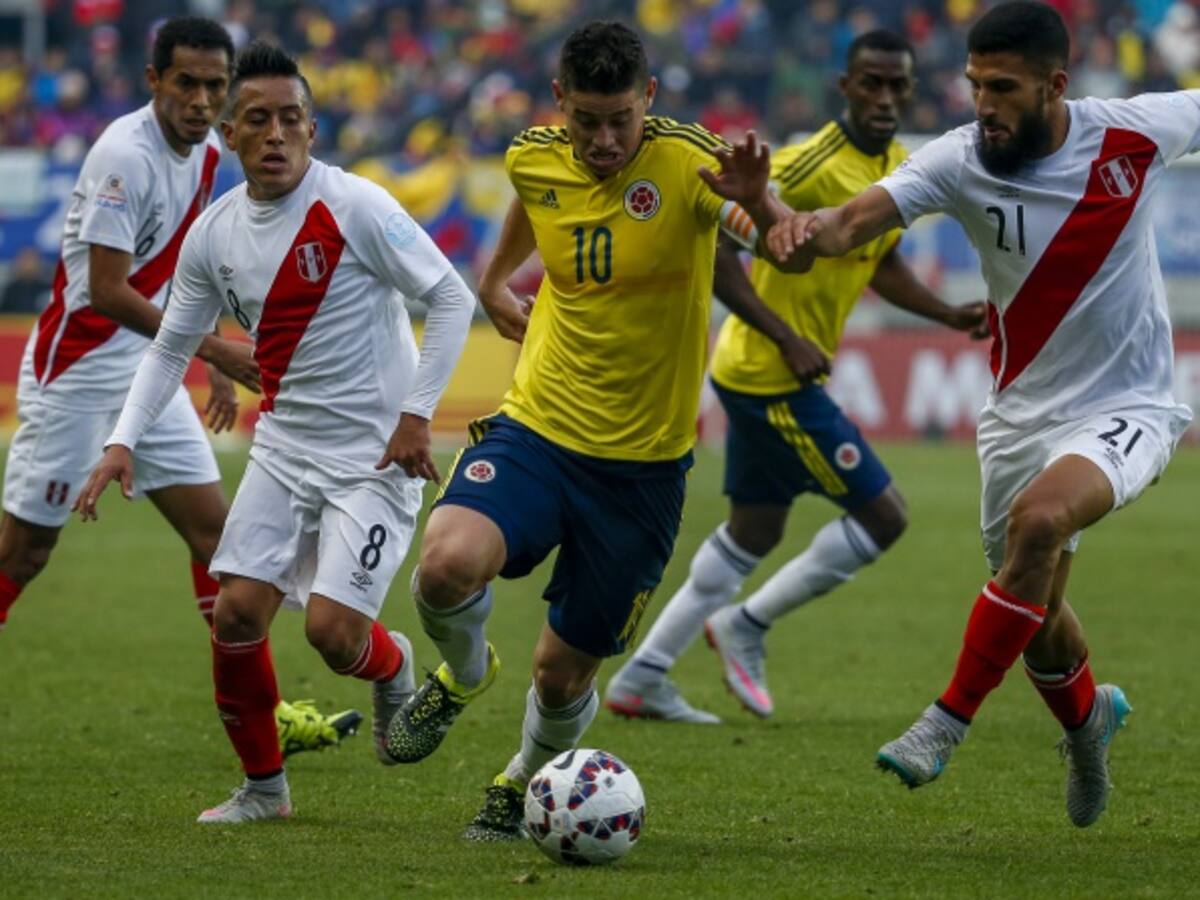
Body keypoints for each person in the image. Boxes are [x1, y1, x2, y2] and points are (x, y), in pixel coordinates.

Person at [708, 1, 1195, 827]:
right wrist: (768, 210)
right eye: (974, 85)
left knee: (1039, 525)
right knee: (1036, 613)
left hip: (1131, 403)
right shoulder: (959, 159)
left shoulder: (1135, 132)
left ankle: (946, 721)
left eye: (1002, 87)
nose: (983, 104)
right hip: (1019, 416)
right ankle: (1087, 730)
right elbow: (842, 227)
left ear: (1056, 84)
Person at [382, 20, 810, 840]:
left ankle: (518, 782)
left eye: (622, 119)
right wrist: (492, 277)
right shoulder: (532, 155)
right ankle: (466, 674)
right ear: (559, 105)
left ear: (648, 97)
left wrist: (760, 199)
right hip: (539, 429)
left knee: (561, 671)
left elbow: (786, 251)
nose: (606, 140)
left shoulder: (690, 163)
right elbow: (532, 202)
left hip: (643, 471)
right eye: (587, 121)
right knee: (443, 566)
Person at [75, 40, 476, 823]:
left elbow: (451, 297)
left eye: (291, 118)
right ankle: (264, 790)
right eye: (255, 119)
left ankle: (392, 669)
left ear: (313, 129)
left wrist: (416, 416)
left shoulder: (356, 205)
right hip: (286, 448)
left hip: (372, 459)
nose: (275, 134)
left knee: (333, 636)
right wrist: (122, 439)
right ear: (230, 134)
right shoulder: (214, 235)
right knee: (235, 613)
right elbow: (169, 347)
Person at [605, 29, 988, 724]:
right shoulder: (808, 164)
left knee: (753, 532)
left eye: (897, 84)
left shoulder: (898, 164)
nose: (884, 97)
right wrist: (784, 336)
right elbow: (720, 244)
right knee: (884, 516)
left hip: (765, 375)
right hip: (767, 375)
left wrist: (947, 315)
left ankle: (643, 676)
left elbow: (881, 261)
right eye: (870, 82)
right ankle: (746, 625)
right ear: (844, 87)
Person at [0, 18, 358, 756]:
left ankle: (270, 715)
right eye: (186, 83)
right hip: (76, 375)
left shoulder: (205, 152)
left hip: (146, 371)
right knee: (22, 558)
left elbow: (190, 269)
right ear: (154, 81)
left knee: (221, 543)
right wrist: (215, 354)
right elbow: (104, 289)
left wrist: (199, 361)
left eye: (213, 86)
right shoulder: (123, 157)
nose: (200, 101)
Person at [0, 248, 52, 314]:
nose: (28, 265)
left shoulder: (47, 288)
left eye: (32, 261)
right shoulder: (10, 290)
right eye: (24, 261)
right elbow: (4, 315)